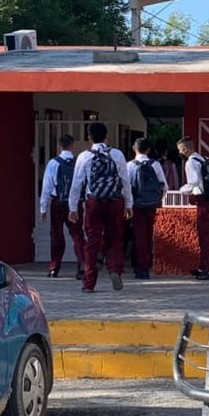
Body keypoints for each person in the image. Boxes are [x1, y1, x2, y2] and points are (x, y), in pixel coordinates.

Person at [68, 122, 133, 292]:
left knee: (92, 241)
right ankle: (115, 269)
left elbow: (77, 184)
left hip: (94, 202)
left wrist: (73, 208)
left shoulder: (84, 156)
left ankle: (89, 282)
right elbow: (125, 181)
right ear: (106, 136)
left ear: (89, 137)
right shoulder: (117, 154)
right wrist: (129, 203)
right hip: (114, 201)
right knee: (115, 238)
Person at [39, 134, 85, 279]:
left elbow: (47, 186)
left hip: (58, 202)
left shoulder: (53, 163)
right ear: (73, 146)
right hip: (75, 203)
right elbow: (83, 183)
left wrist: (43, 207)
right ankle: (82, 264)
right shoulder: (78, 162)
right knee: (77, 235)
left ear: (59, 146)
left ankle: (54, 267)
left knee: (56, 234)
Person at [126, 137, 167, 279]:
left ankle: (140, 267)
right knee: (148, 235)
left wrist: (128, 205)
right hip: (151, 205)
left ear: (133, 148)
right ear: (148, 150)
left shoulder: (130, 165)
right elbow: (164, 185)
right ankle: (147, 264)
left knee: (138, 236)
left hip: (136, 205)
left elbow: (126, 187)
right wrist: (157, 200)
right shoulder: (155, 165)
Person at [178, 135, 209, 280]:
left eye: (180, 150)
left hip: (203, 200)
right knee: (207, 234)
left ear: (186, 149)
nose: (180, 153)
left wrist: (182, 190)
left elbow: (193, 182)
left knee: (204, 236)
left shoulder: (190, 162)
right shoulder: (202, 159)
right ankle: (203, 267)